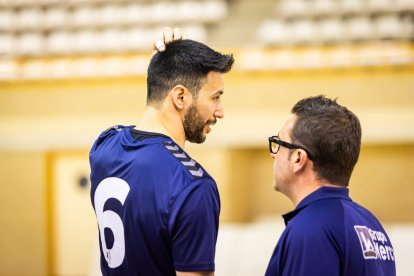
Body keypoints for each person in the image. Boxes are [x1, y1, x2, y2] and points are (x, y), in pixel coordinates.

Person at [89, 28, 234, 276]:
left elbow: (153, 108)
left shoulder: (104, 145)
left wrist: (163, 67)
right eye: (215, 98)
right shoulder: (193, 186)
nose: (220, 111)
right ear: (180, 96)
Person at [265, 95, 396, 276]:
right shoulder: (372, 225)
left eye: (278, 143)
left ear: (298, 159)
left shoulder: (310, 230)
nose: (273, 154)